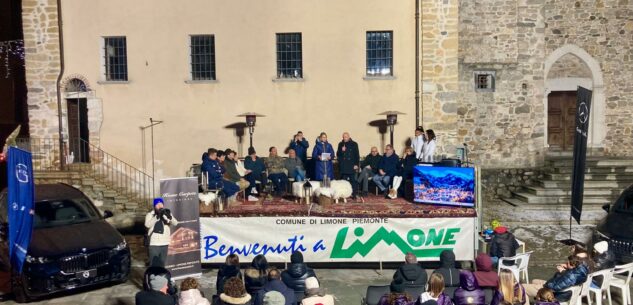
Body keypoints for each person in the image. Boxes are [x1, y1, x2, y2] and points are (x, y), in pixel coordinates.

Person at [523, 255, 589, 301]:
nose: (566, 263)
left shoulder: (571, 276)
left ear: (573, 265)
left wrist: (560, 272)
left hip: (554, 293)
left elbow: (555, 287)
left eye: (567, 263)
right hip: (563, 290)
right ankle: (538, 300)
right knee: (534, 281)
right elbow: (565, 280)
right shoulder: (580, 272)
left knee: (522, 288)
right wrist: (565, 270)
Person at [145, 197, 178, 267]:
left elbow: (175, 223)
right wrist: (156, 217)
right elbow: (147, 225)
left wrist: (170, 217)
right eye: (157, 204)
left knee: (162, 264)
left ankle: (161, 277)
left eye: (161, 204)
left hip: (165, 243)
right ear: (154, 206)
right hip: (154, 244)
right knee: (153, 264)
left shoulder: (167, 213)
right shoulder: (150, 214)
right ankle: (152, 277)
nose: (160, 206)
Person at [336, 132, 360, 197]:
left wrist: (356, 164)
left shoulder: (354, 144)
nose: (344, 138)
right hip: (343, 165)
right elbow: (338, 154)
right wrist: (341, 150)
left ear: (349, 137)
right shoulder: (340, 144)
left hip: (351, 165)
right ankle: (343, 195)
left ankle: (354, 194)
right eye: (343, 137)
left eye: (346, 137)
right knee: (343, 181)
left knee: (353, 181)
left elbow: (357, 155)